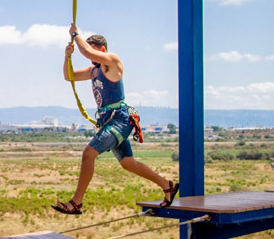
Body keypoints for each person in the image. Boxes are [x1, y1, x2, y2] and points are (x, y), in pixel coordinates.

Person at [52, 23, 179, 215]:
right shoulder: (93, 70)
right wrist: (67, 56)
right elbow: (68, 76)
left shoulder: (112, 61)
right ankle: (167, 186)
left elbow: (86, 52)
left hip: (119, 119)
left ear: (102, 50)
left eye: (94, 51)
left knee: (88, 154)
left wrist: (75, 34)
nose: (90, 55)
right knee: (128, 163)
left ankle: (76, 203)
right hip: (108, 121)